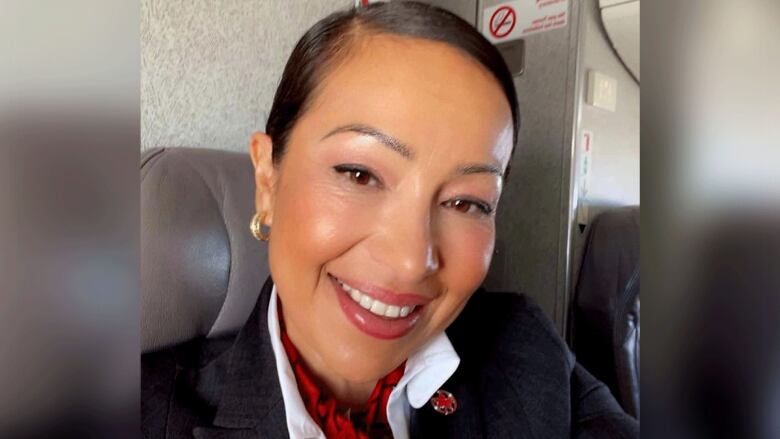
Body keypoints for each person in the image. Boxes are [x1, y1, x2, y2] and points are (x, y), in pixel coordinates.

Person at [142, 2, 638, 438]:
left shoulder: (522, 347)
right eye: (359, 174)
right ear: (268, 180)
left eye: (468, 202)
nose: (409, 263)